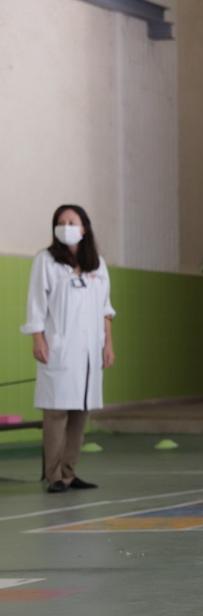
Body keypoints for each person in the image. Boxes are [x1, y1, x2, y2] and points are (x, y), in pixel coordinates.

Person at [22, 204, 115, 493]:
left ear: (84, 227)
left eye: (71, 221)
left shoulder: (97, 264)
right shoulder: (46, 261)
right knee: (56, 413)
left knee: (80, 412)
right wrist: (38, 338)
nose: (65, 226)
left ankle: (70, 472)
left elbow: (105, 309)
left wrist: (107, 344)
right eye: (60, 222)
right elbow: (36, 304)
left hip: (89, 350)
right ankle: (54, 476)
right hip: (59, 347)